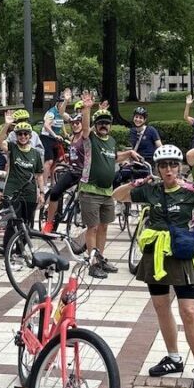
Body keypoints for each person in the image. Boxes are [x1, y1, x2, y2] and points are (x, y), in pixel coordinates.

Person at [112, 144, 194, 388]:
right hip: (156, 255)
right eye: (163, 165)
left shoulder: (189, 192)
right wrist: (137, 182)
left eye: (173, 165)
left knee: (189, 312)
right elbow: (117, 196)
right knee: (161, 307)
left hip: (182, 253)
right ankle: (174, 358)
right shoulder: (152, 190)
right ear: (157, 168)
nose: (169, 170)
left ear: (180, 167)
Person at [77, 92, 141, 279]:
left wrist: (128, 153)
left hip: (107, 192)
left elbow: (114, 157)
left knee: (104, 227)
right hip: (90, 191)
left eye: (106, 123)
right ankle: (92, 262)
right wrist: (87, 109)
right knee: (93, 228)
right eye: (100, 123)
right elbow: (85, 128)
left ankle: (101, 257)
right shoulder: (90, 140)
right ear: (96, 126)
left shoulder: (111, 141)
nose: (104, 125)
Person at [0, 115, 45, 252]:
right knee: (13, 223)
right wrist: (6, 125)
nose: (22, 136)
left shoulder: (35, 154)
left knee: (26, 224)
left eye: (25, 134)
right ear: (16, 136)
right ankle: (8, 252)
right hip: (13, 192)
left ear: (30, 136)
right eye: (19, 134)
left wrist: (41, 192)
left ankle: (21, 251)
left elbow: (39, 175)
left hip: (29, 193)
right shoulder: (12, 147)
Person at [42, 112, 85, 234]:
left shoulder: (86, 137)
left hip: (84, 173)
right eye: (73, 124)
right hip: (72, 171)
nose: (75, 125)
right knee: (55, 192)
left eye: (78, 123)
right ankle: (49, 223)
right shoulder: (72, 138)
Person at [40, 90, 72, 184]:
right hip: (46, 137)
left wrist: (65, 133)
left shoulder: (62, 113)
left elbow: (61, 122)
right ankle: (44, 184)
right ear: (58, 103)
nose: (63, 106)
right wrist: (55, 135)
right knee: (49, 161)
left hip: (55, 139)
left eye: (64, 104)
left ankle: (53, 183)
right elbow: (46, 126)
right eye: (61, 104)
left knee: (55, 162)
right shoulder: (51, 112)